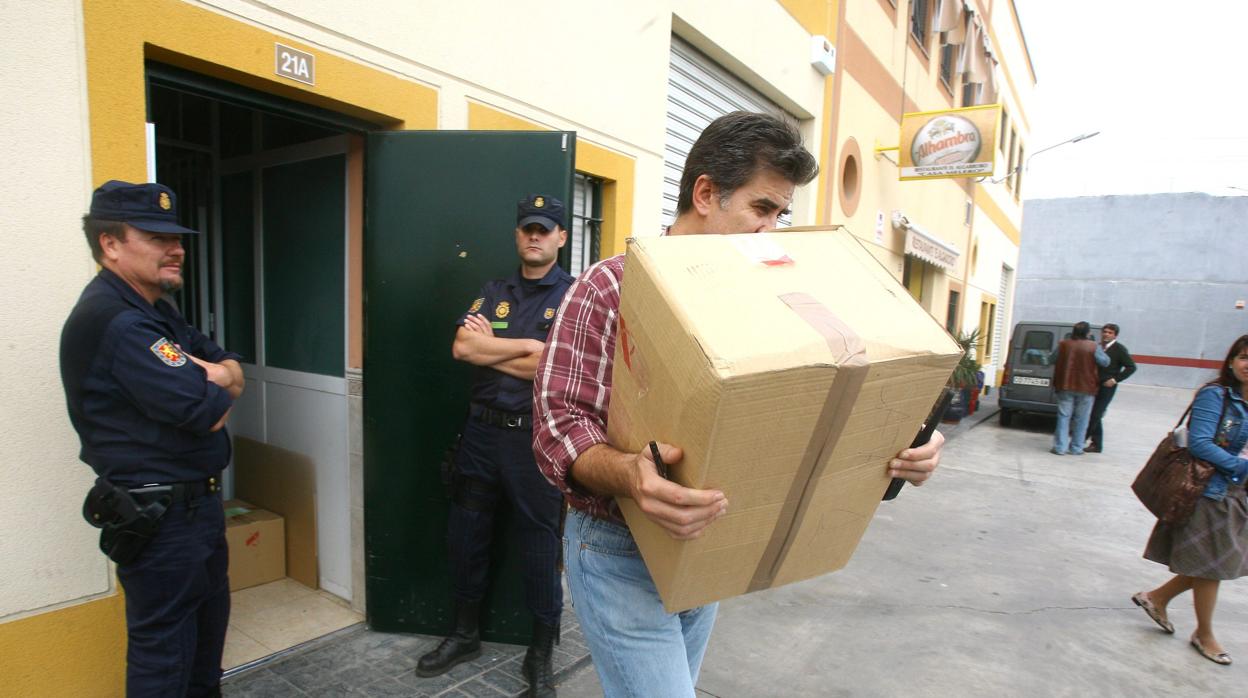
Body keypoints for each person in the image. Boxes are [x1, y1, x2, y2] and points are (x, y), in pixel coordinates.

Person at [531, 112, 947, 697]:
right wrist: (630, 472)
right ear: (706, 193)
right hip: (617, 546)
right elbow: (556, 428)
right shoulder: (609, 286)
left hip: (708, 546)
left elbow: (796, 416)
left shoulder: (768, 298)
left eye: (781, 214)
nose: (771, 229)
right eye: (761, 209)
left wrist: (896, 442)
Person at [60, 181, 244, 696]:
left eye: (177, 236)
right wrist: (218, 379)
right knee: (164, 660)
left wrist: (219, 372)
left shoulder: (157, 311)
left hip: (194, 509)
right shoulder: (119, 322)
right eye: (156, 235)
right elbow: (208, 408)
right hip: (161, 521)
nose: (177, 246)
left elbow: (230, 367)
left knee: (205, 652)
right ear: (110, 244)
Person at [416, 195, 573, 697]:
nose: (535, 236)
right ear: (517, 235)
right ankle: (464, 635)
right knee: (467, 533)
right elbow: (462, 347)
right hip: (481, 435)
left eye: (545, 230)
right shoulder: (493, 292)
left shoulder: (573, 295)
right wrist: (527, 348)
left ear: (561, 238)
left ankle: (540, 655)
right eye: (528, 228)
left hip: (535, 438)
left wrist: (496, 352)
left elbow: (554, 367)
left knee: (540, 545)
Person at [1132, 334, 1248, 666]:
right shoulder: (1216, 395)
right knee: (1212, 568)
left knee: (1212, 563)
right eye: (1244, 357)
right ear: (1231, 361)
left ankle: (1156, 597)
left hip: (1237, 495)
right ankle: (1204, 634)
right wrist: (1240, 466)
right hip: (1207, 491)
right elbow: (1199, 443)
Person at [1049, 321, 1109, 455]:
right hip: (1086, 387)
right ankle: (1076, 448)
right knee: (1082, 419)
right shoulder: (1093, 346)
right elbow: (1105, 362)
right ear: (1088, 333)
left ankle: (1060, 447)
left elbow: (1051, 359)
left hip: (1064, 385)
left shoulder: (1063, 344)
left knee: (1064, 417)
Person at [1085, 323, 1136, 453]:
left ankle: (1081, 440)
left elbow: (1131, 367)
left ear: (1115, 335)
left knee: (1096, 414)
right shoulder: (1097, 346)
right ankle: (1097, 444)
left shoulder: (1119, 349)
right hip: (1093, 384)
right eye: (1105, 332)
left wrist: (1115, 380)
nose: (1106, 334)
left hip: (1107, 387)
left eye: (1110, 333)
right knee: (1094, 414)